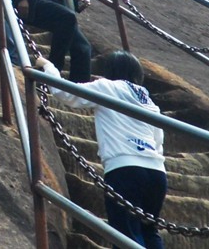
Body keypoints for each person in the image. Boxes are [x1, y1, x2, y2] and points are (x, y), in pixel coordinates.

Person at [38, 51, 167, 248]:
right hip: (157, 173)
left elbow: (66, 94)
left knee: (125, 235)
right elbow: (159, 140)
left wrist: (48, 67)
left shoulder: (108, 86)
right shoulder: (149, 101)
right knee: (149, 232)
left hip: (125, 168)